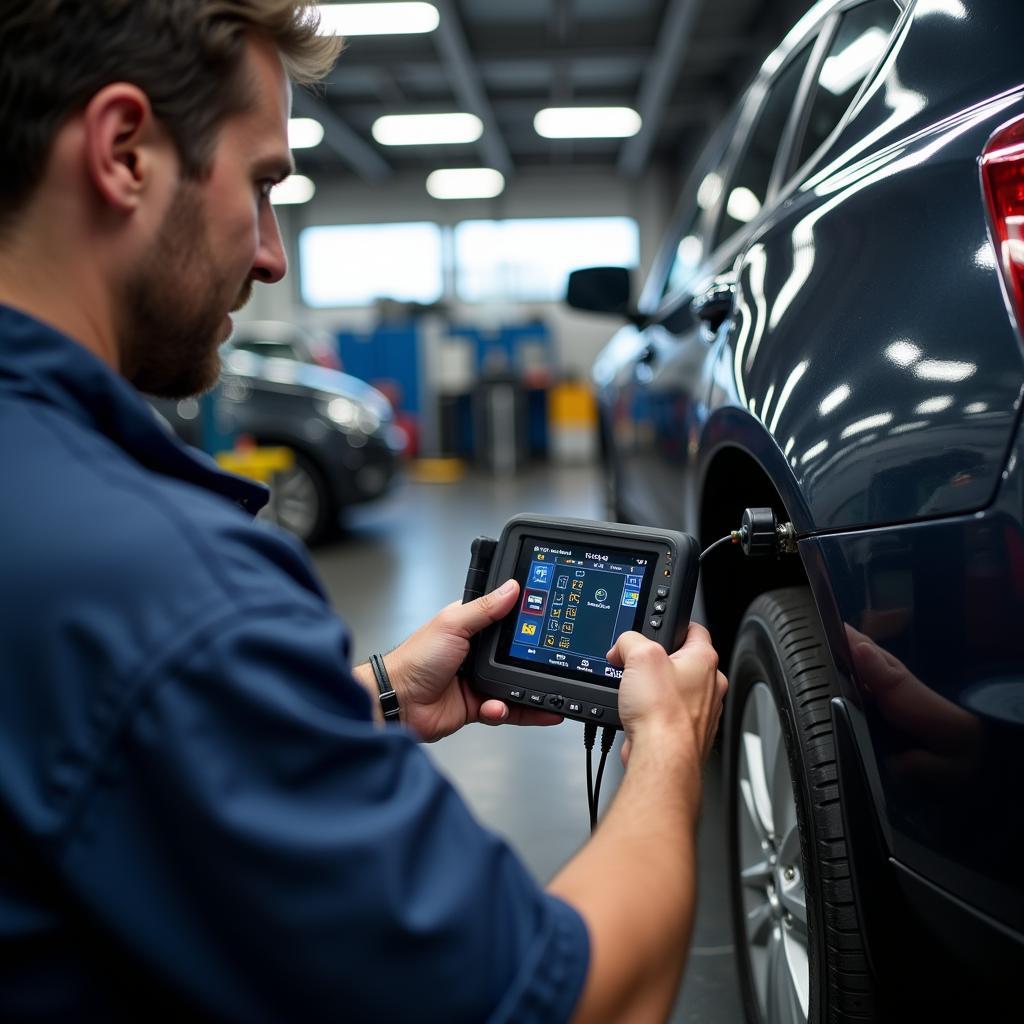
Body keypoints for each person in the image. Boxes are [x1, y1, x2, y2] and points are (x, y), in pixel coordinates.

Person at [0, 2, 727, 1020]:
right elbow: (573, 1003)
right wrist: (667, 747)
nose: (272, 257)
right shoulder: (165, 588)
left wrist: (375, 695)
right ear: (124, 152)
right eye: (261, 188)